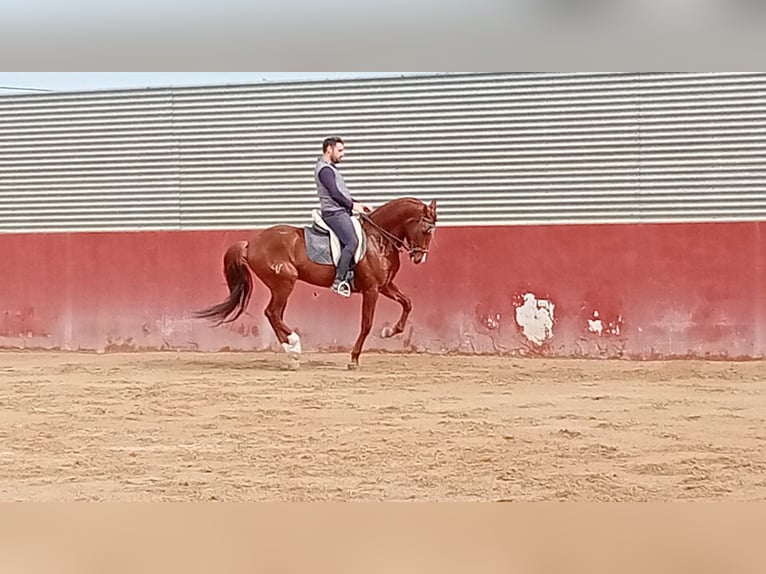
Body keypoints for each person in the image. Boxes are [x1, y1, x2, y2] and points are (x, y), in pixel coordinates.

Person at [314, 137, 372, 297]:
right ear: (329, 149)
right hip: (334, 213)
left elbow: (342, 194)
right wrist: (353, 206)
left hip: (341, 210)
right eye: (340, 151)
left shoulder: (331, 169)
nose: (342, 154)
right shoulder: (325, 170)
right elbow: (335, 194)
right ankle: (339, 280)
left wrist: (358, 204)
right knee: (352, 241)